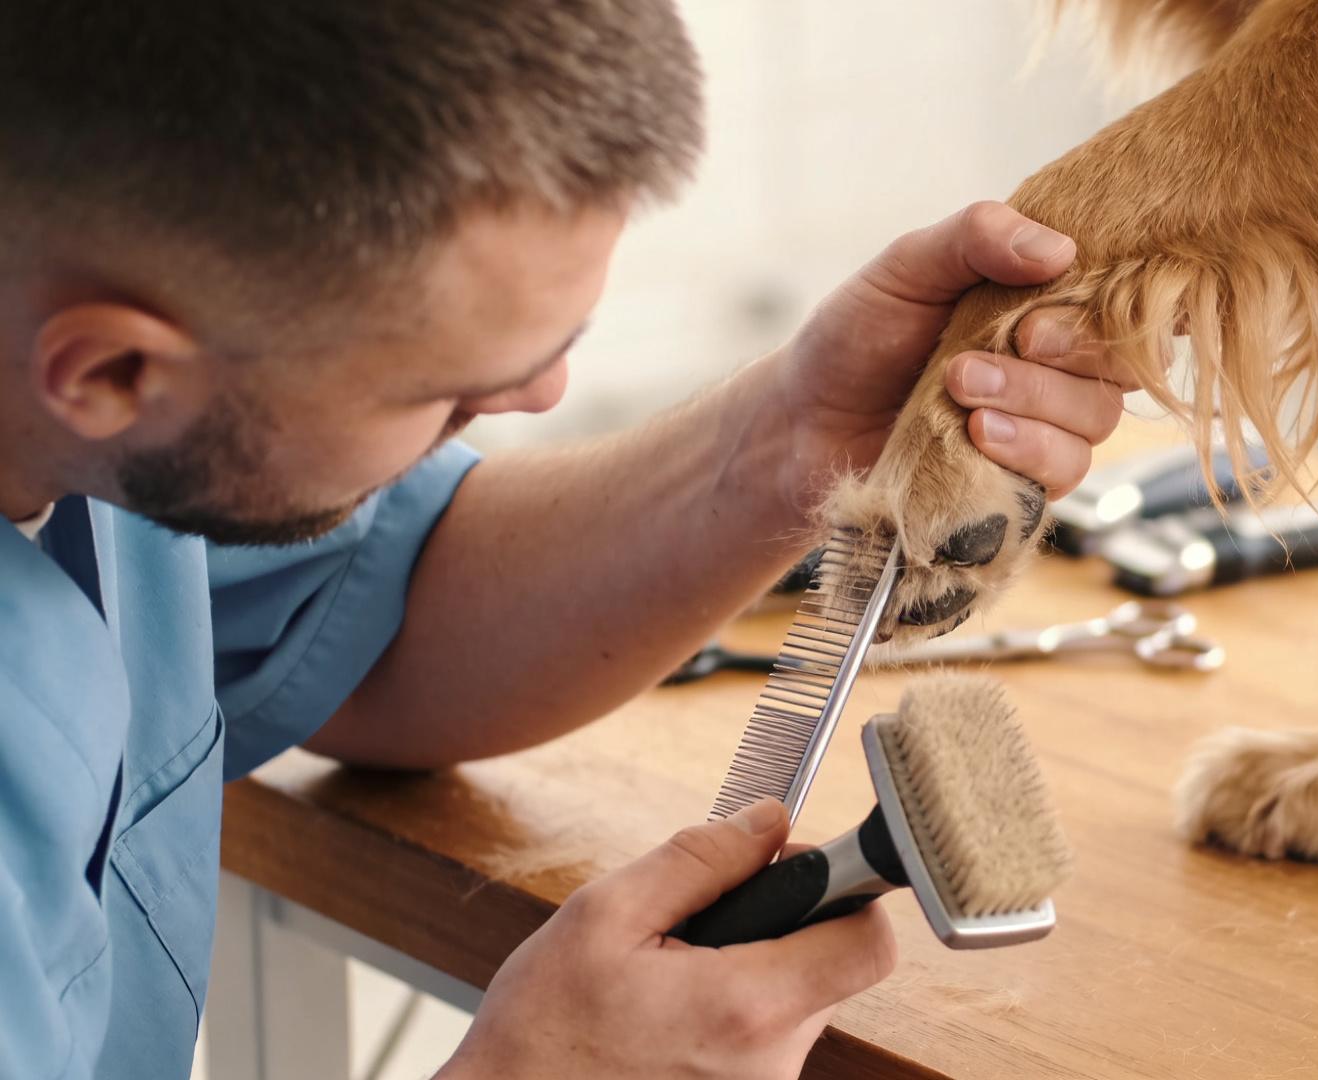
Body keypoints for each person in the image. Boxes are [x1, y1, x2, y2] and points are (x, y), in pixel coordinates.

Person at [0, 4, 1131, 1078]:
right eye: (442, 388)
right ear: (112, 372)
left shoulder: (110, 440)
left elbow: (377, 623)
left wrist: (791, 440)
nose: (540, 394)